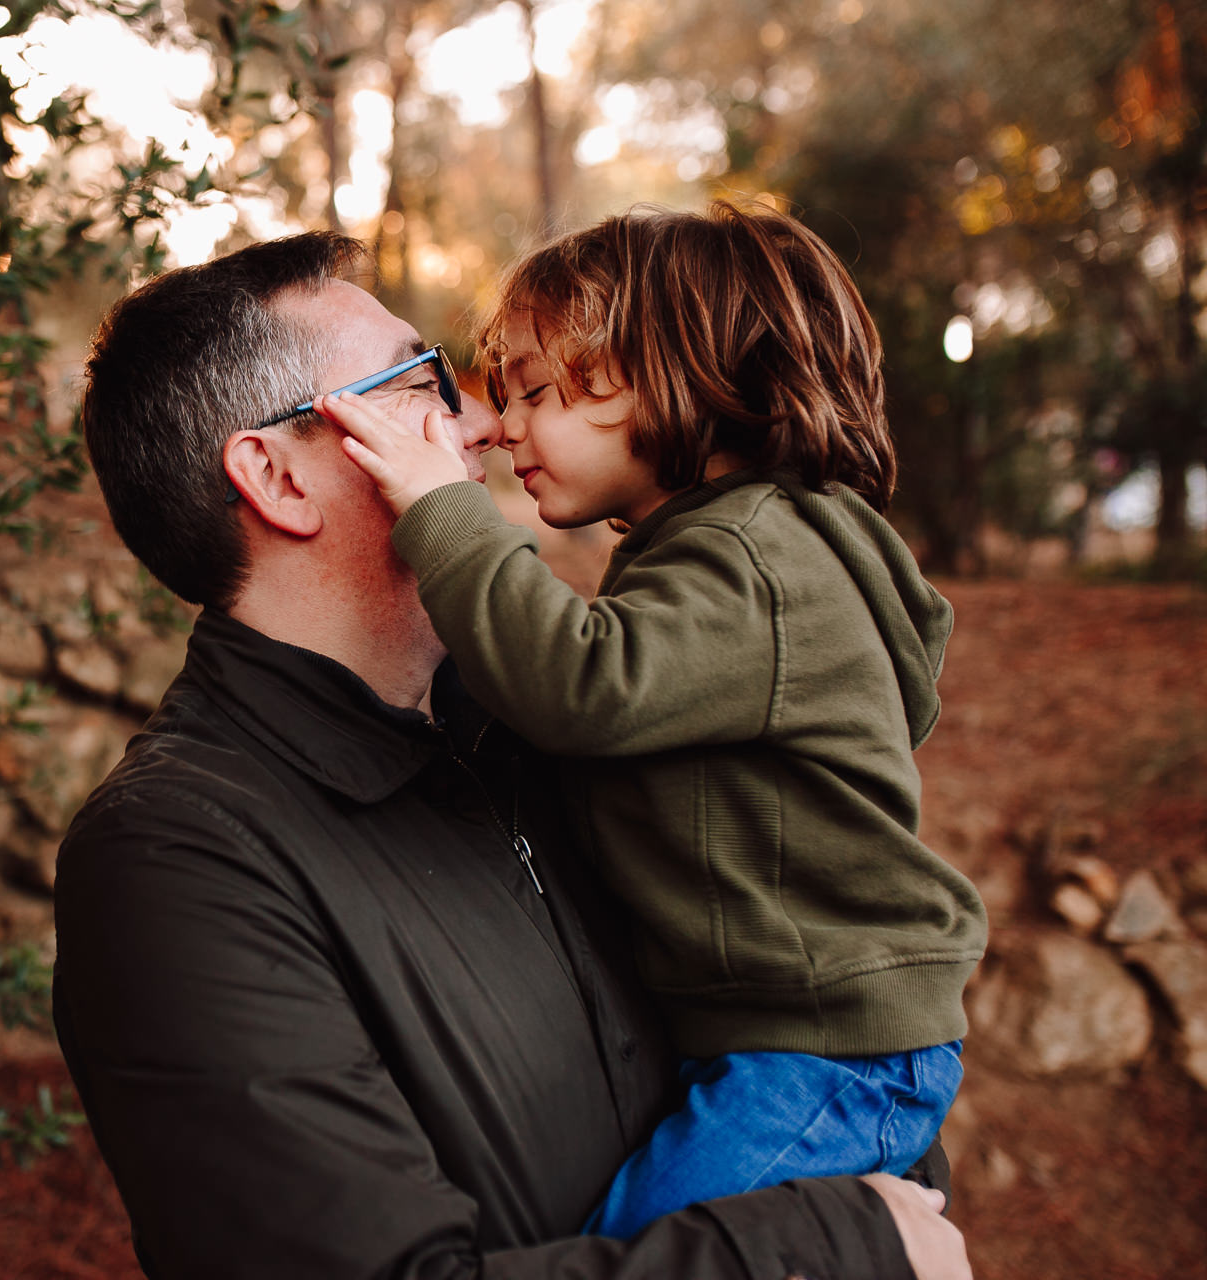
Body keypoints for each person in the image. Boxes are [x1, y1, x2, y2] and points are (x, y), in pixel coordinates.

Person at [54, 229, 972, 1278]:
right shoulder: (178, 862)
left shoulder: (527, 727)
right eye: (421, 386)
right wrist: (844, 1247)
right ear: (276, 476)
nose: (485, 422)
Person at [324, 202, 988, 1243]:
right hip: (783, 1038)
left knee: (647, 1254)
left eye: (536, 390)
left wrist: (436, 503)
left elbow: (581, 682)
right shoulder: (727, 554)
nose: (499, 427)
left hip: (821, 1049)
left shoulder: (758, 560)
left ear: (689, 373)